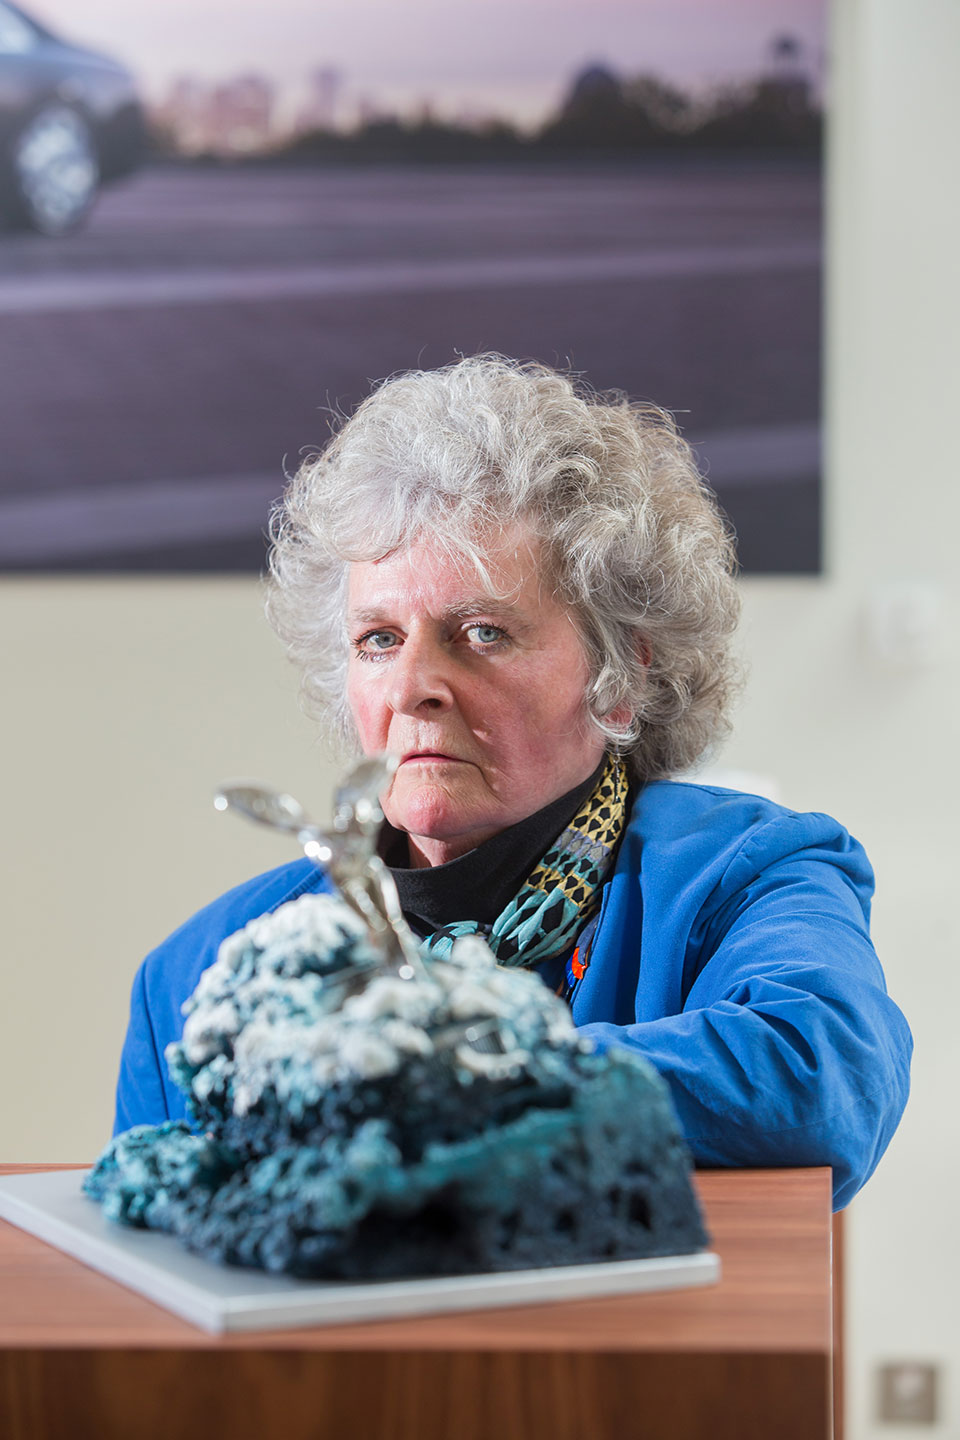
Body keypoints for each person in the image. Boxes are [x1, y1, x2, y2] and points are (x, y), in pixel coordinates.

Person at [113, 354, 911, 1209]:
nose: (414, 684)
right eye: (378, 639)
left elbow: (820, 1077)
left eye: (482, 632)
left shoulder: (748, 872)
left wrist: (446, 1075)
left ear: (622, 673)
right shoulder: (196, 973)